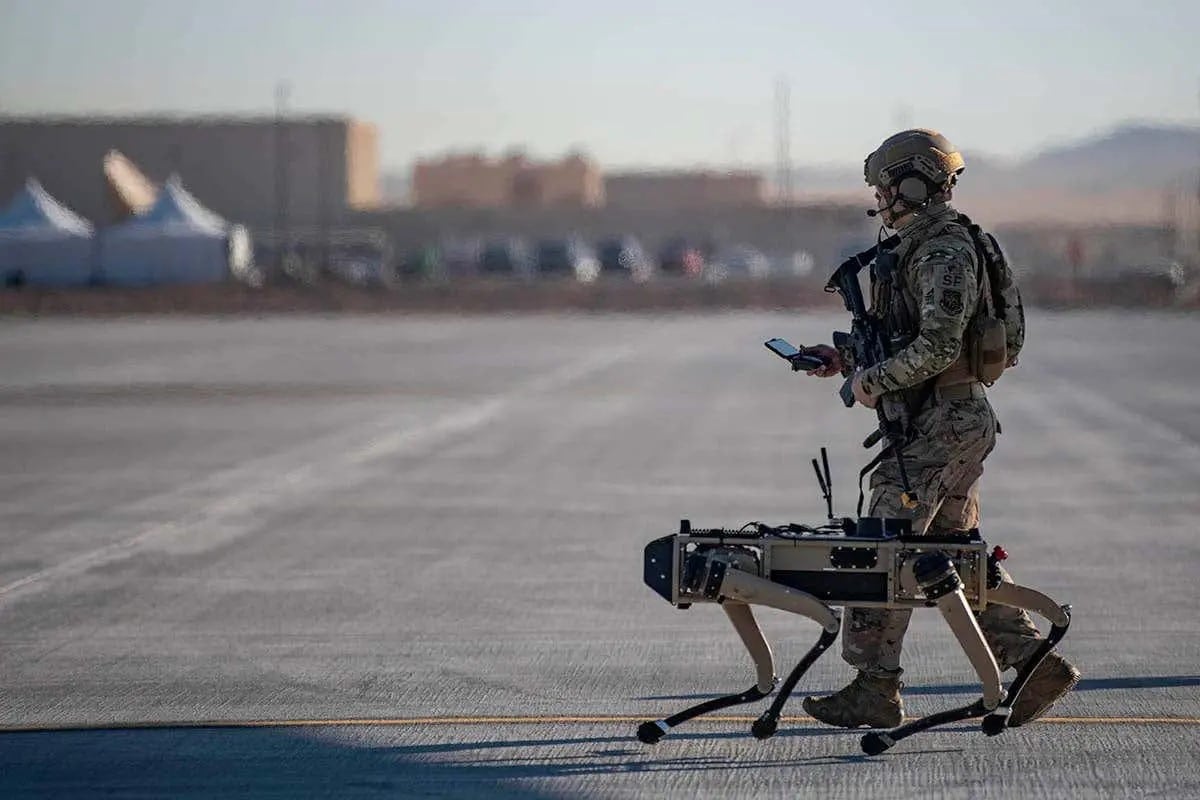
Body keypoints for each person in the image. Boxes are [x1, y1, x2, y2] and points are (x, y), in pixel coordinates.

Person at [798, 129, 1080, 729]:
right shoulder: (923, 246)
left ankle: (875, 688)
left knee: (881, 548)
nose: (879, 199)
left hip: (943, 424)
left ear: (914, 184)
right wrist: (847, 360)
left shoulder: (943, 251)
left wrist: (868, 383)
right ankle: (1034, 665)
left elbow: (938, 347)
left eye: (884, 187)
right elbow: (915, 344)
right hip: (944, 421)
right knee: (949, 557)